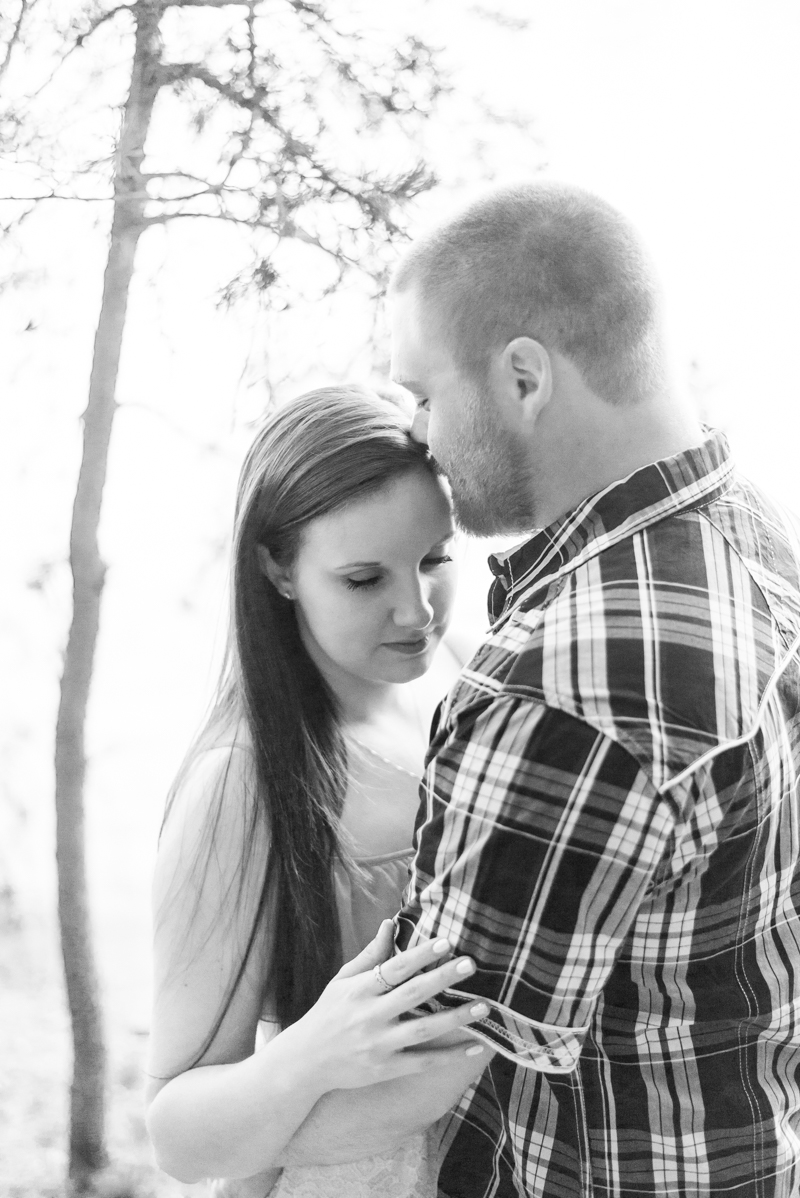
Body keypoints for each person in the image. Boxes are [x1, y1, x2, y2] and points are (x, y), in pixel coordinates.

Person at [269, 183, 800, 1197]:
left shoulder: (564, 682)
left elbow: (410, 1063)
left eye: (423, 393)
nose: (415, 431)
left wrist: (197, 1120)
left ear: (521, 377)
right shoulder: (753, 535)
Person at [144, 385, 489, 1197]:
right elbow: (176, 1134)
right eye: (364, 579)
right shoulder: (243, 783)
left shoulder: (464, 672)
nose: (417, 610)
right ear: (278, 568)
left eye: (435, 558)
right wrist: (313, 1052)